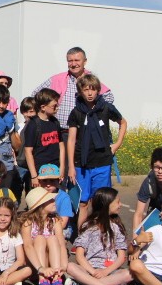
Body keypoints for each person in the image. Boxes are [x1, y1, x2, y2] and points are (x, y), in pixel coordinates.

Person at [67, 74, 127, 229]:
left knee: (100, 201)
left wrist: (117, 144)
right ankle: (81, 236)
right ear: (80, 91)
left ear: (98, 91)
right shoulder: (76, 112)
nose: (89, 93)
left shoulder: (106, 108)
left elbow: (123, 122)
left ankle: (101, 233)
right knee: (83, 202)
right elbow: (72, 140)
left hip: (102, 161)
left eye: (93, 89)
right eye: (86, 89)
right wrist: (71, 167)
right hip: (82, 163)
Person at [64, 187, 136, 285]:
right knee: (70, 266)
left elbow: (121, 257)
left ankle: (84, 284)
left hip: (111, 269)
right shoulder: (88, 226)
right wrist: (93, 272)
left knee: (130, 273)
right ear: (106, 204)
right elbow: (79, 256)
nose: (120, 204)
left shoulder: (116, 227)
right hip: (89, 269)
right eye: (117, 202)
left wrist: (106, 271)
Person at [31, 47, 114, 134]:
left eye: (77, 60)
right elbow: (35, 95)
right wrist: (42, 116)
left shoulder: (91, 80)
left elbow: (109, 96)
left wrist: (96, 111)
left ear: (85, 61)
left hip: (84, 132)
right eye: (70, 61)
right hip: (61, 132)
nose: (73, 64)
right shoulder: (57, 79)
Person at [20, 187, 68, 285]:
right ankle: (43, 280)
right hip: (35, 264)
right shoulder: (28, 222)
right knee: (40, 238)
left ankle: (56, 279)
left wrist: (64, 265)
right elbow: (27, 246)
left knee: (52, 238)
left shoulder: (55, 221)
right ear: (40, 205)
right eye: (50, 200)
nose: (54, 202)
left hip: (52, 263)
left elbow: (61, 244)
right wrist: (40, 268)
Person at [24, 88, 64, 188]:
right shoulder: (33, 125)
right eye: (54, 106)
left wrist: (62, 168)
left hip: (55, 170)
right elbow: (28, 151)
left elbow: (61, 145)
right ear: (43, 107)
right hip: (39, 171)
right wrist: (34, 176)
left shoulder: (55, 122)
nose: (57, 108)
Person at [37, 164, 73, 240]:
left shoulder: (64, 198)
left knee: (57, 238)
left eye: (52, 181)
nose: (48, 184)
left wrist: (47, 231)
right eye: (44, 181)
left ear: (59, 180)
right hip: (41, 224)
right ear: (39, 181)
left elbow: (63, 223)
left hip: (60, 227)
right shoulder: (37, 195)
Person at [16, 97, 36, 200]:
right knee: (17, 188)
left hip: (32, 163)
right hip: (20, 162)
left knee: (32, 190)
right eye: (25, 111)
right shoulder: (19, 127)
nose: (28, 114)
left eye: (31, 111)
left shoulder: (36, 126)